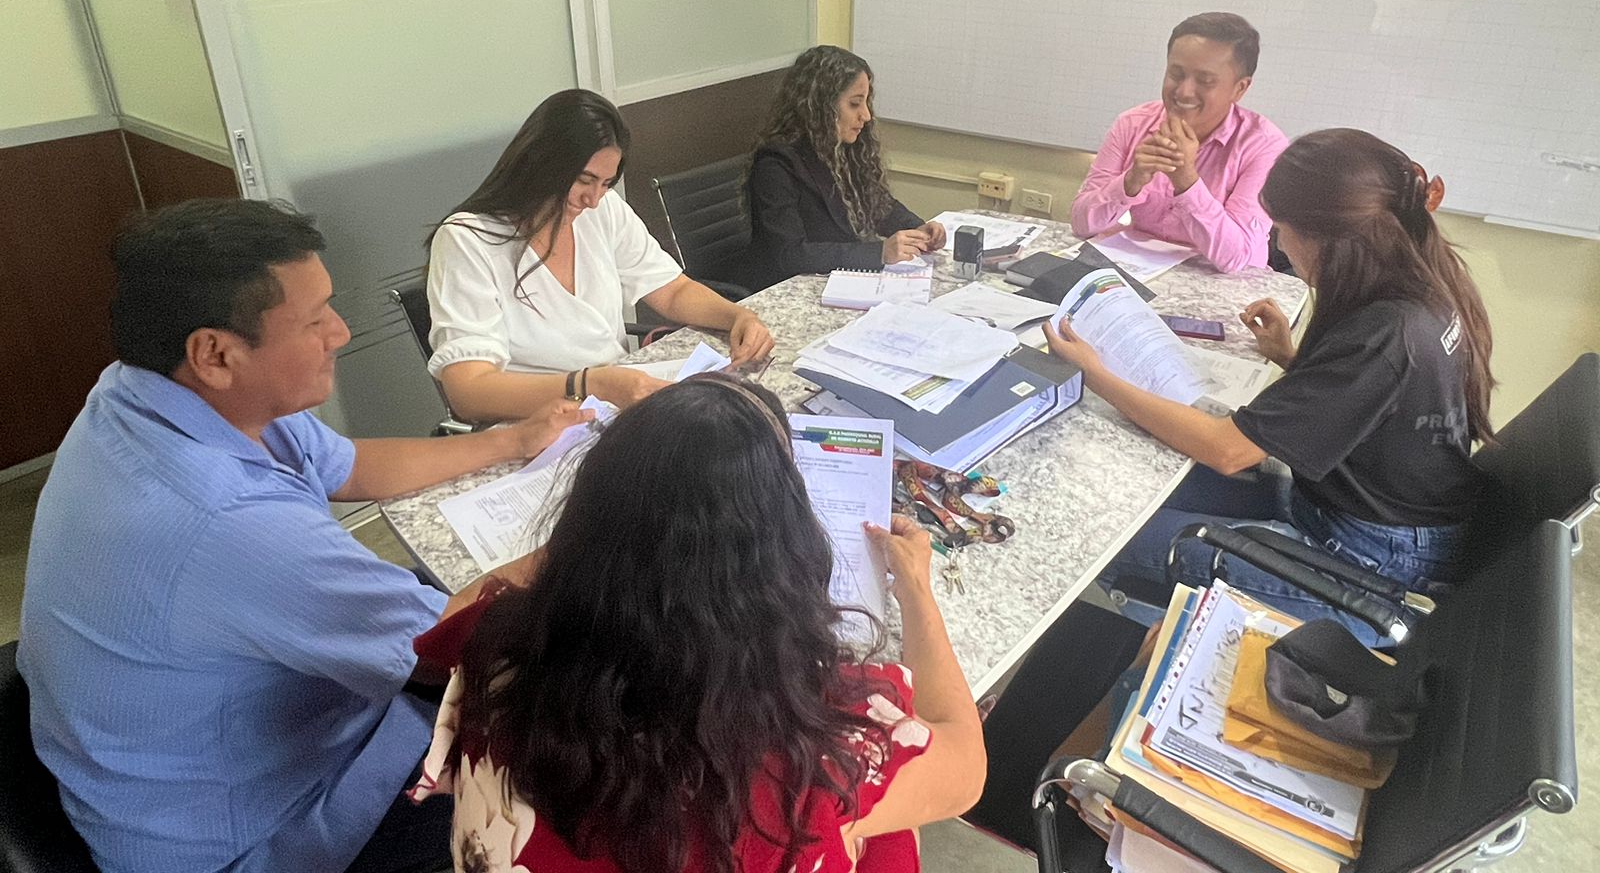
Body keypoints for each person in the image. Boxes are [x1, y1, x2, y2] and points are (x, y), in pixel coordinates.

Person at [19, 198, 587, 873]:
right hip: (249, 834)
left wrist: (511, 441)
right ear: (215, 353)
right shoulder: (227, 522)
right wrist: (601, 527)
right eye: (315, 320)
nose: (340, 332)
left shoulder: (148, 393)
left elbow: (346, 465)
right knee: (567, 753)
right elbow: (456, 647)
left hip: (208, 752)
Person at [409, 373, 986, 873]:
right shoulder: (812, 753)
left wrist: (608, 527)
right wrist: (916, 591)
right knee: (885, 820)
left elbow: (450, 616)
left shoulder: (497, 635)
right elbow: (965, 770)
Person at [1047, 130, 1495, 639]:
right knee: (1131, 488)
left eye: (1282, 229)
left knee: (1100, 540)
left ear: (1330, 239)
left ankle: (1144, 639)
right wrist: (1292, 357)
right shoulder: (1421, 285)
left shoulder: (1385, 333)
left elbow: (1227, 450)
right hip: (1367, 517)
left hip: (1373, 563)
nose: (1278, 245)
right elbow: (1377, 400)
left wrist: (1097, 375)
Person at [427, 89, 774, 422]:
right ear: (540, 164)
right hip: (537, 424)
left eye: (606, 184)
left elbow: (672, 290)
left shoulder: (603, 210)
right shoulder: (467, 240)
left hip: (612, 405)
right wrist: (588, 384)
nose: (593, 199)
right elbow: (469, 392)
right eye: (584, 180)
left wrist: (738, 317)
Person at [1069, 12, 1288, 272]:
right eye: (1176, 74)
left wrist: (1186, 180)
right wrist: (1131, 182)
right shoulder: (1132, 123)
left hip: (1224, 286)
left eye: (1205, 81)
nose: (1184, 92)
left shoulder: (1264, 146)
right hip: (1143, 272)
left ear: (1240, 88)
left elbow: (1236, 258)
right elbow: (1081, 224)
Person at [745, 45, 945, 290]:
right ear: (821, 107)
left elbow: (879, 205)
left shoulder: (846, 147)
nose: (866, 115)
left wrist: (916, 228)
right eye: (854, 104)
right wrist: (879, 252)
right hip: (788, 287)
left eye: (866, 102)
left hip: (835, 279)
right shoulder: (775, 165)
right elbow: (791, 254)